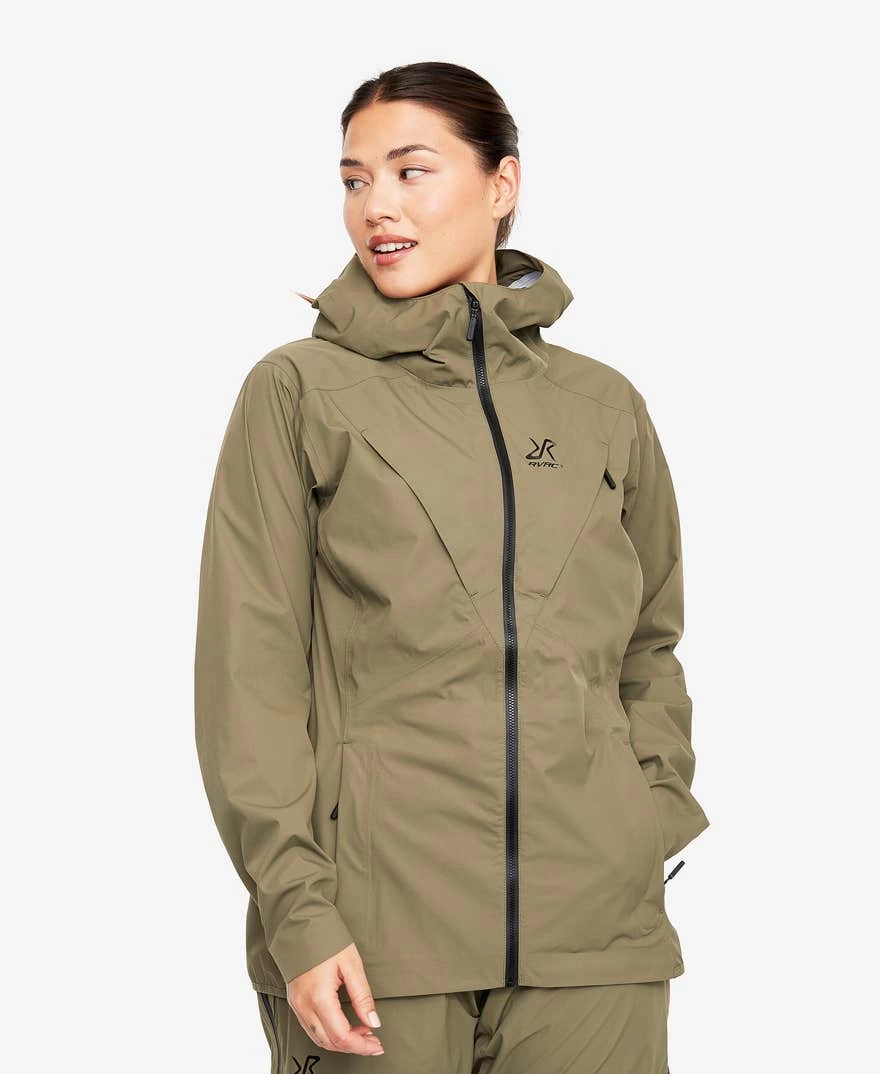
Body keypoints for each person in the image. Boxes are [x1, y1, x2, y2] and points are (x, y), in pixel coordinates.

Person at [194, 60, 710, 1072]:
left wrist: (642, 821)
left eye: (410, 171)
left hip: (594, 941)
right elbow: (248, 676)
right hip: (377, 935)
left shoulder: (602, 406)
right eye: (354, 180)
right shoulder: (299, 392)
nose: (375, 206)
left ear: (501, 183)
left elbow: (649, 644)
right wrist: (299, 910)